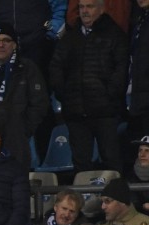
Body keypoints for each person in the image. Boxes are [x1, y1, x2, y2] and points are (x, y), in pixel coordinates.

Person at [49, 0, 128, 173]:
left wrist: (109, 96)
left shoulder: (114, 34)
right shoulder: (71, 36)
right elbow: (56, 67)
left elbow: (121, 70)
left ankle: (114, 199)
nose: (84, 11)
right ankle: (83, 200)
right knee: (80, 164)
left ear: (101, 9)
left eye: (90, 7)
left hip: (105, 112)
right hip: (76, 112)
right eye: (82, 7)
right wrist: (64, 95)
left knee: (111, 160)